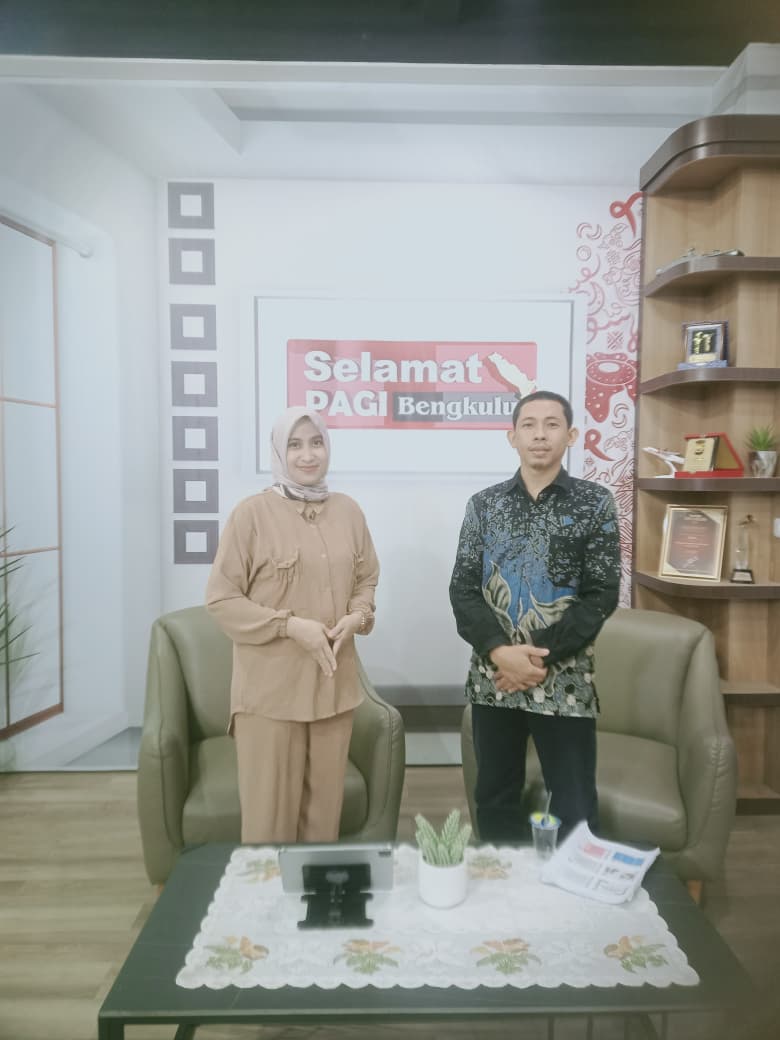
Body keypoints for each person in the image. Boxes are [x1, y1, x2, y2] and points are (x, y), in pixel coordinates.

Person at [449, 390, 620, 843]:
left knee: (575, 802)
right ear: (513, 437)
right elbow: (463, 590)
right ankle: (504, 883)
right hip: (495, 677)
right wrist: (500, 652)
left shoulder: (595, 502)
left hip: (564, 679)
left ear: (571, 435)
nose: (540, 435)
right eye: (529, 425)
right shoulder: (484, 505)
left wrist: (535, 658)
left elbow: (601, 594)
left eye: (551, 424)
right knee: (495, 796)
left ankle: (571, 886)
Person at [205, 406, 379, 845]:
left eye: (316, 442)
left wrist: (358, 615)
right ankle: (267, 892)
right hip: (271, 695)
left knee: (323, 825)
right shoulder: (251, 515)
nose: (308, 455)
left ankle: (313, 890)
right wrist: (289, 626)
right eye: (295, 445)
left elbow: (366, 578)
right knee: (269, 827)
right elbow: (222, 599)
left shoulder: (348, 511)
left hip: (333, 690)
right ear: (279, 453)